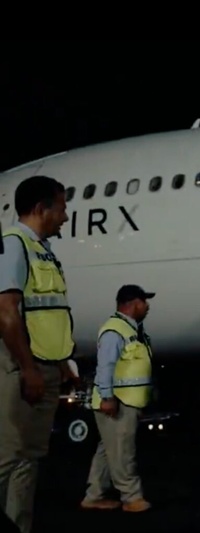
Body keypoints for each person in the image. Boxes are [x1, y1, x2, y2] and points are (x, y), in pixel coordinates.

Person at [0, 175, 73, 533]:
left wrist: (61, 364)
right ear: (42, 209)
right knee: (7, 457)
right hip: (20, 368)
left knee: (28, 460)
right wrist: (27, 368)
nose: (66, 216)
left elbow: (46, 313)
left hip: (43, 367)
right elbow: (6, 311)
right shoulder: (13, 244)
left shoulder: (43, 249)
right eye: (61, 208)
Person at [81, 284, 155, 513]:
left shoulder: (133, 329)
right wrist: (107, 397)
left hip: (126, 402)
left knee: (108, 450)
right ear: (134, 303)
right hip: (117, 402)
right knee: (122, 452)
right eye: (144, 301)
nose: (147, 306)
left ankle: (94, 496)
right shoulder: (115, 331)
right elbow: (106, 365)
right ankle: (131, 497)